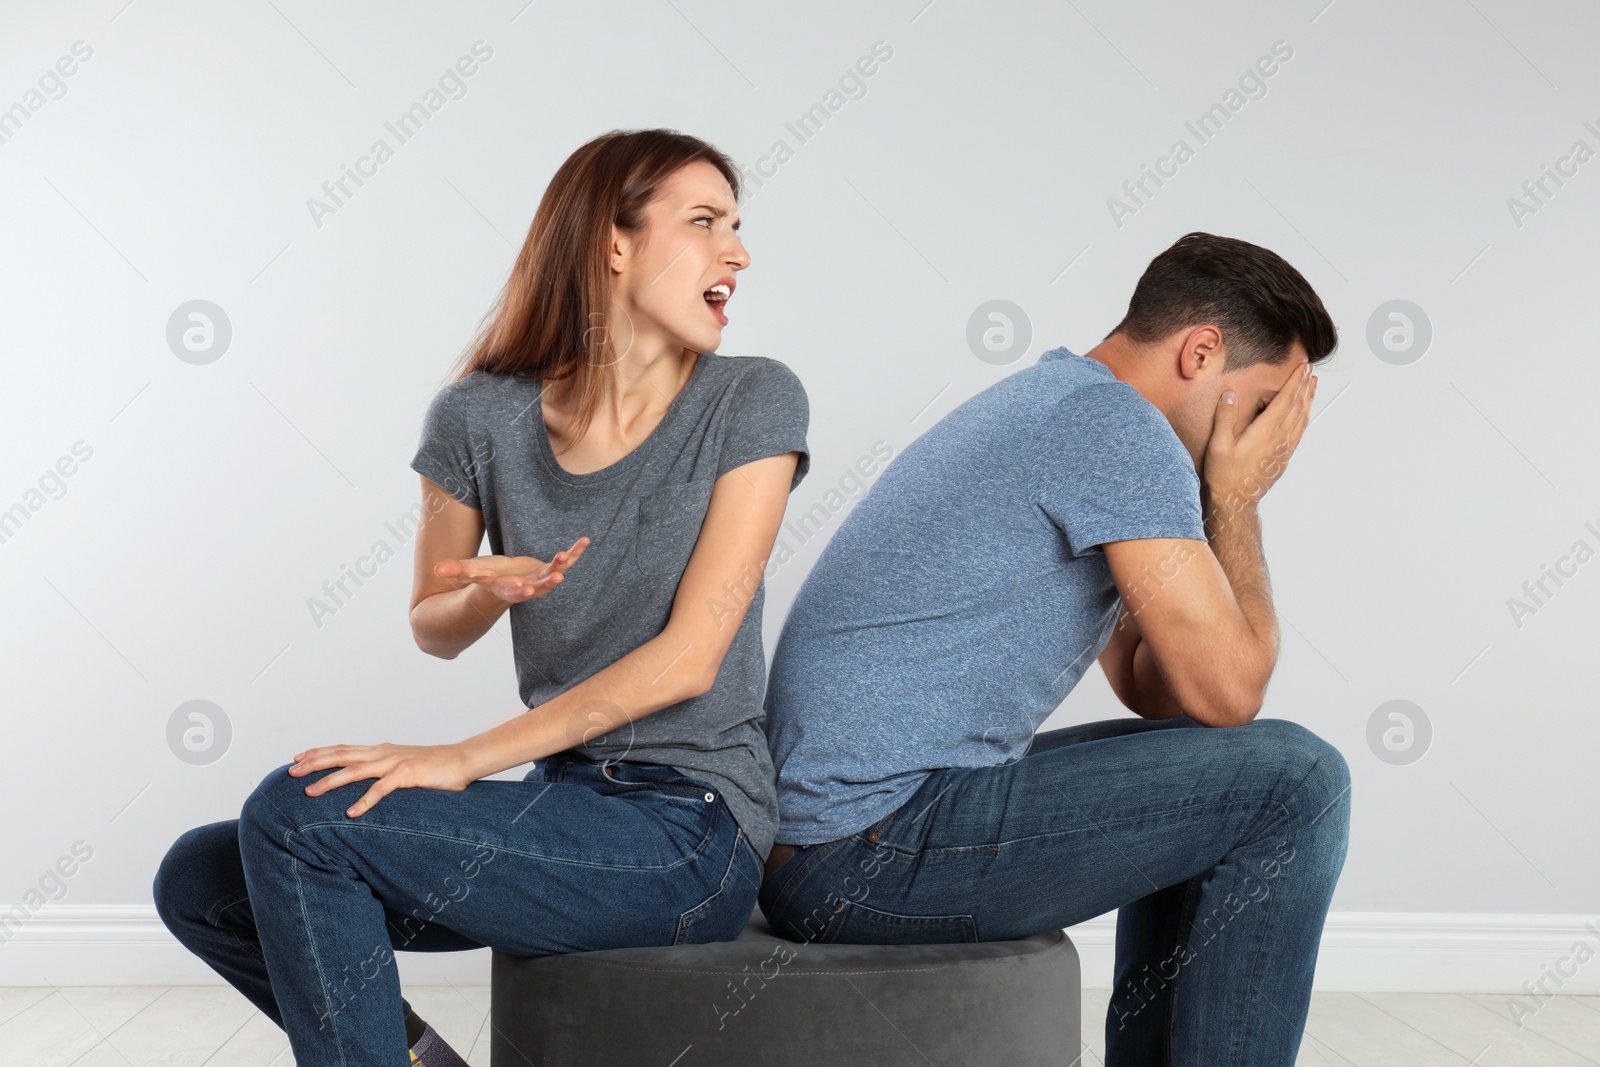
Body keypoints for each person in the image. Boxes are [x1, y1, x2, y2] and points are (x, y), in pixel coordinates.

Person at [153, 128, 809, 1066]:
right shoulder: (476, 416)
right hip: (565, 802)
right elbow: (432, 625)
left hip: (689, 830)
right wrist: (492, 593)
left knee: (296, 818)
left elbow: (690, 655)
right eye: (706, 223)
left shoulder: (753, 401)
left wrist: (461, 758)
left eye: (736, 228)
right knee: (200, 877)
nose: (736, 252)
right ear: (613, 244)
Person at [759, 232, 1348, 1066]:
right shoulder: (1115, 430)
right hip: (862, 855)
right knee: (1298, 780)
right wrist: (1237, 502)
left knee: (1220, 771)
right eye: (1259, 406)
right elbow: (1231, 691)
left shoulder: (1067, 403)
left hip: (831, 844)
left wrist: (1212, 502)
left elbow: (1164, 690)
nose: (1262, 437)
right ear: (1202, 351)